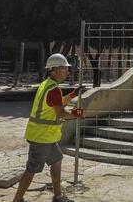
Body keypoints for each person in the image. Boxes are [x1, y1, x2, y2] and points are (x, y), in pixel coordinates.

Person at [12, 53, 85, 202]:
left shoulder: (47, 85)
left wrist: (72, 94)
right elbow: (60, 113)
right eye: (65, 69)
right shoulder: (53, 89)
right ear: (56, 69)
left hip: (47, 137)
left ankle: (58, 197)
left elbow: (56, 104)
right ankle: (17, 200)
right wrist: (76, 113)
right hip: (41, 137)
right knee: (32, 170)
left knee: (56, 161)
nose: (67, 72)